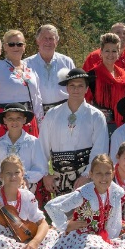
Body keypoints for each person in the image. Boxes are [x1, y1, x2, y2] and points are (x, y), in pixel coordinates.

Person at [29, 154, 125, 249]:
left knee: (120, 246)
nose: (103, 178)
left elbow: (115, 218)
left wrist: (110, 238)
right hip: (81, 236)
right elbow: (52, 206)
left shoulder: (115, 192)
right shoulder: (84, 193)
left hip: (101, 235)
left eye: (107, 173)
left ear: (113, 173)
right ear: (91, 174)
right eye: (98, 173)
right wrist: (66, 225)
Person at [39, 68, 107, 196]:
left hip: (86, 177)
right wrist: (45, 174)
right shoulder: (52, 114)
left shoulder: (96, 116)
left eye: (81, 85)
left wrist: (88, 175)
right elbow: (42, 147)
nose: (76, 89)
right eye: (72, 85)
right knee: (60, 214)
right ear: (67, 88)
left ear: (87, 89)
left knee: (85, 213)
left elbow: (100, 149)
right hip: (59, 180)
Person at [0, 29, 43, 138]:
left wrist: (41, 124)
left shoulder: (30, 68)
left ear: (24, 46)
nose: (16, 47)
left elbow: (37, 100)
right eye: (11, 44)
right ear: (5, 47)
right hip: (6, 122)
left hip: (28, 121)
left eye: (19, 44)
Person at [0, 104, 48, 193]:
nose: (14, 122)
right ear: (4, 120)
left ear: (24, 120)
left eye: (18, 118)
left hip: (26, 189)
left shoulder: (33, 142)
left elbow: (40, 168)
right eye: (10, 119)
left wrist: (25, 179)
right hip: (3, 190)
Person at [24, 24, 75, 118]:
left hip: (64, 113)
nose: (48, 42)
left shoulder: (67, 62)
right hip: (37, 114)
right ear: (37, 41)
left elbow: (75, 88)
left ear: (57, 41)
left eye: (51, 38)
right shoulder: (26, 64)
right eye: (44, 38)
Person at [87, 33, 125, 132]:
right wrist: (95, 110)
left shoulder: (124, 75)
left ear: (118, 53)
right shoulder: (92, 75)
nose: (110, 55)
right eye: (107, 51)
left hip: (121, 125)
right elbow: (84, 100)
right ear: (101, 52)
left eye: (114, 51)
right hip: (98, 124)